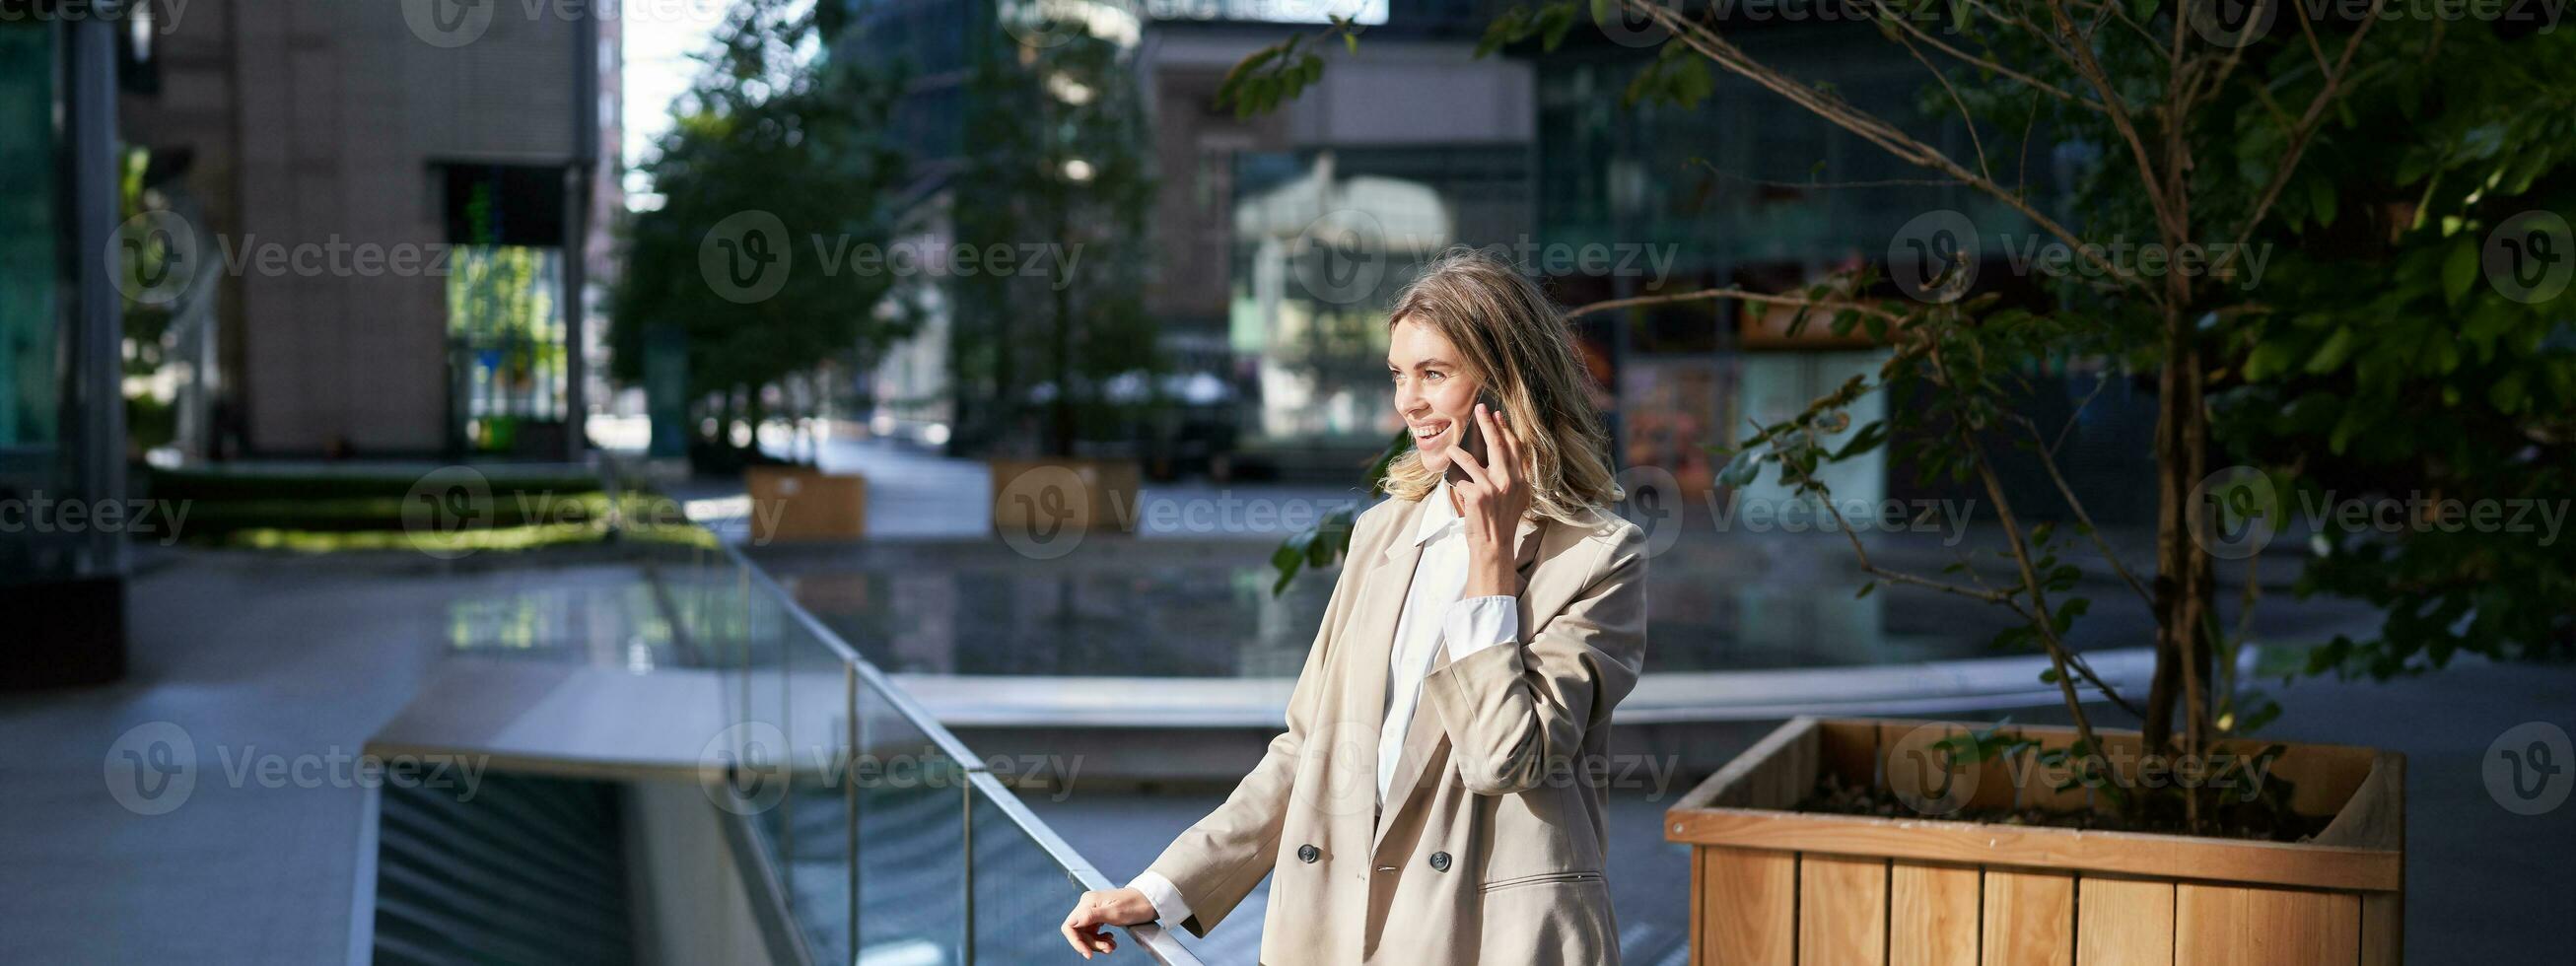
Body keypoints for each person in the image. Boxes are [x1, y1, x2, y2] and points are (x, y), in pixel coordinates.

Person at [1060, 247, 1648, 964]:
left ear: (1507, 386)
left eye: (1435, 374)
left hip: (1492, 936)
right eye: (1399, 375)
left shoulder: (1597, 557)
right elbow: (1308, 750)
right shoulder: (1382, 535)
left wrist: (1490, 562)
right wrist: (1166, 887)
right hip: (1338, 927)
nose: (1408, 401)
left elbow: (1506, 758)